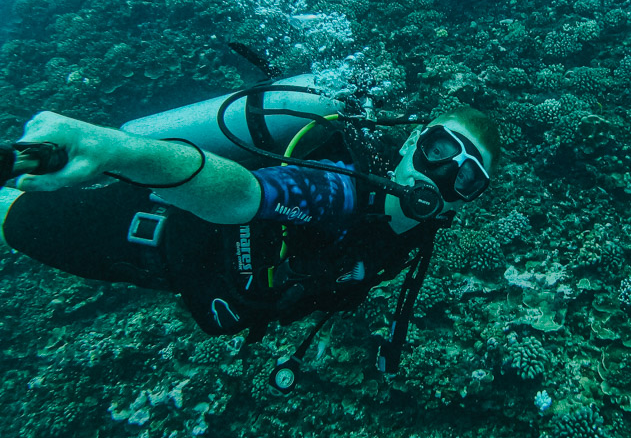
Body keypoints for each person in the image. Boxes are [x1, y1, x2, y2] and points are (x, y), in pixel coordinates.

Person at [0, 98, 499, 384]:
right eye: (439, 149)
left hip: (184, 274)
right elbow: (246, 193)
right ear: (412, 142)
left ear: (465, 202)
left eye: (467, 178)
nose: (442, 175)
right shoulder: (341, 191)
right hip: (147, 230)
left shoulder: (421, 235)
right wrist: (118, 151)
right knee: (16, 215)